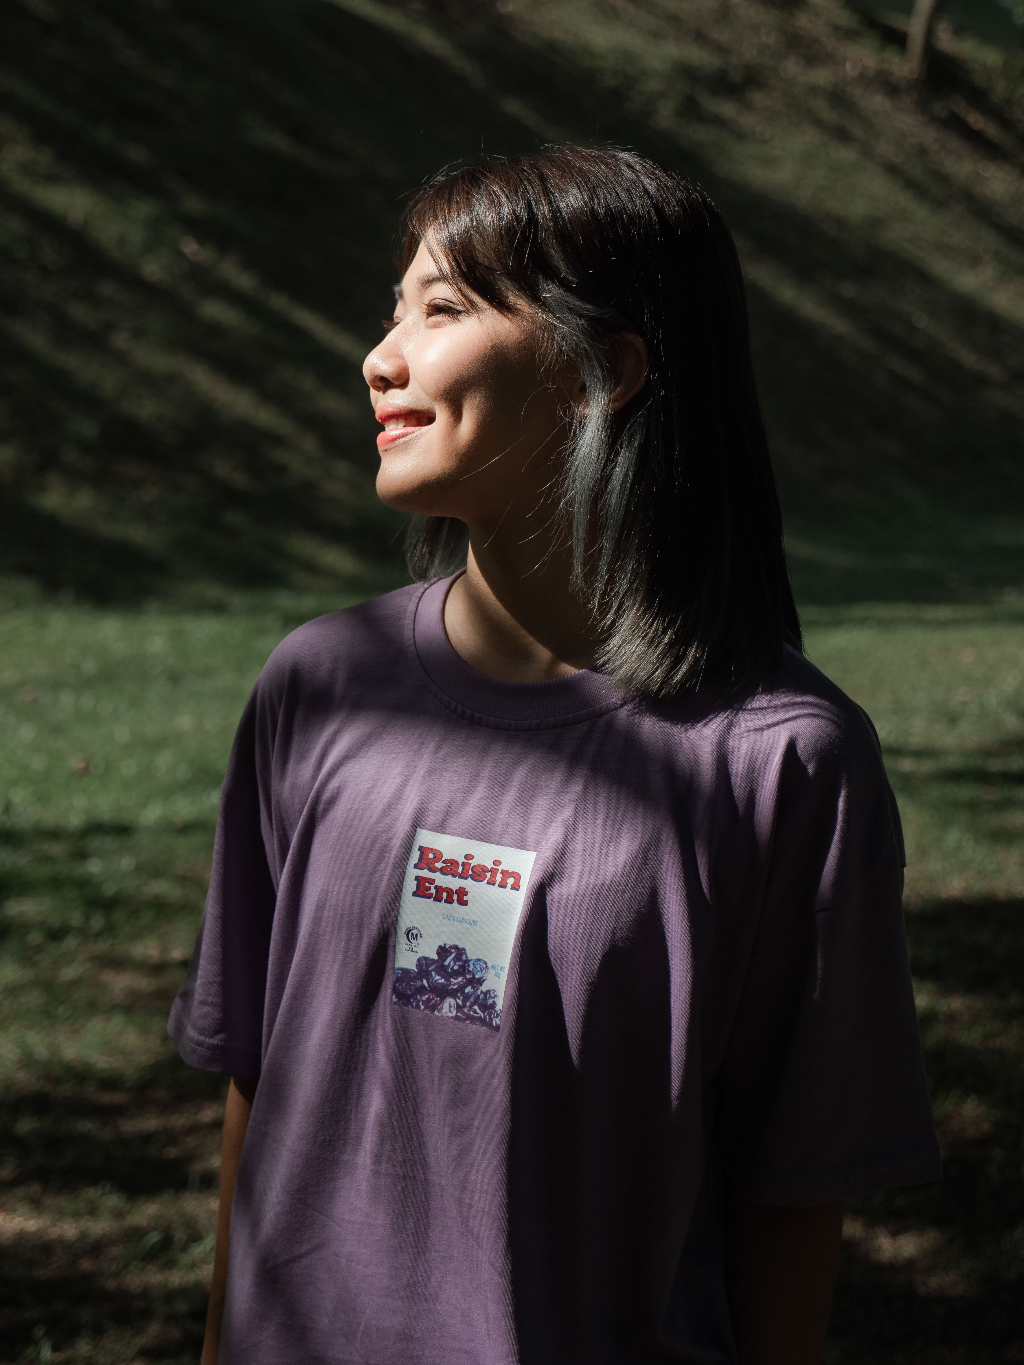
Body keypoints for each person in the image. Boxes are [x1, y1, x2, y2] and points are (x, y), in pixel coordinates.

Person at [169, 147, 941, 1365]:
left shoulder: (782, 764)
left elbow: (792, 1186)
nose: (380, 357)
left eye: (440, 310)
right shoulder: (318, 687)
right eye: (393, 309)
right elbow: (254, 1078)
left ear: (603, 372)